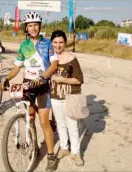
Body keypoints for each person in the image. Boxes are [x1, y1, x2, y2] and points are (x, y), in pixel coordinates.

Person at [3, 11, 59, 172]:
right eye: (30, 26)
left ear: (39, 27)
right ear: (26, 28)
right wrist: (7, 78)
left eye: (36, 25)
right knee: (30, 118)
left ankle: (50, 156)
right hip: (28, 84)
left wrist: (42, 77)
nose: (33, 28)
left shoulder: (47, 43)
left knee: (43, 121)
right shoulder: (24, 46)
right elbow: (16, 67)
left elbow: (54, 66)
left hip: (42, 84)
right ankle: (33, 145)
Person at [50, 30, 84, 166]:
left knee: (72, 126)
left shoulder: (71, 59)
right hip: (55, 96)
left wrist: (61, 80)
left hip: (70, 97)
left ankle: (75, 153)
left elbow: (79, 80)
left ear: (65, 43)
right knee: (61, 124)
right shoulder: (50, 58)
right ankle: (64, 148)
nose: (58, 46)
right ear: (51, 43)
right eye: (55, 42)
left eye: (61, 42)